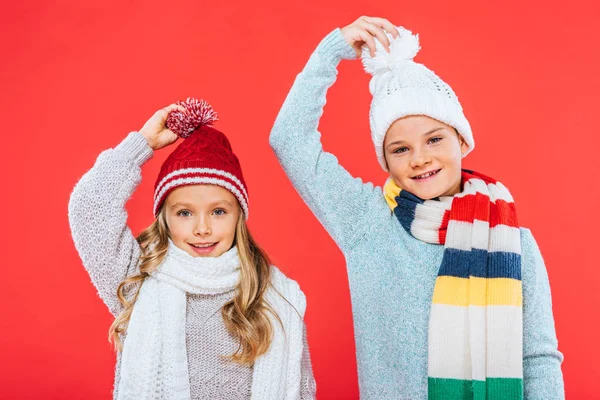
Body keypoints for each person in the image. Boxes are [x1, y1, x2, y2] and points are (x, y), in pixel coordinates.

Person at [269, 16, 564, 399]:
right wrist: (332, 51)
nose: (420, 159)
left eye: (435, 139)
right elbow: (288, 140)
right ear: (386, 163)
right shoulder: (368, 223)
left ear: (462, 140)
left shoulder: (517, 245)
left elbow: (539, 361)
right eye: (400, 149)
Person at [69, 98, 316, 399]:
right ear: (165, 218)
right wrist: (143, 143)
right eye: (184, 213)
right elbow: (89, 207)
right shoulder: (140, 281)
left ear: (240, 215)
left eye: (218, 211)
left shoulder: (275, 296)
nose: (202, 228)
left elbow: (300, 390)